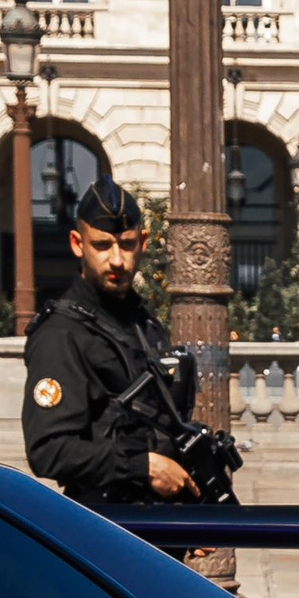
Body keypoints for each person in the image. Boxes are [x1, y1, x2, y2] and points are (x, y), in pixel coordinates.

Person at [21, 176, 205, 505]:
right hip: (106, 526)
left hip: (158, 523)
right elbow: (48, 451)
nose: (117, 260)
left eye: (127, 244)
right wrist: (142, 467)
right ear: (78, 244)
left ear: (143, 242)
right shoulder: (61, 332)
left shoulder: (140, 322)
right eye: (102, 246)